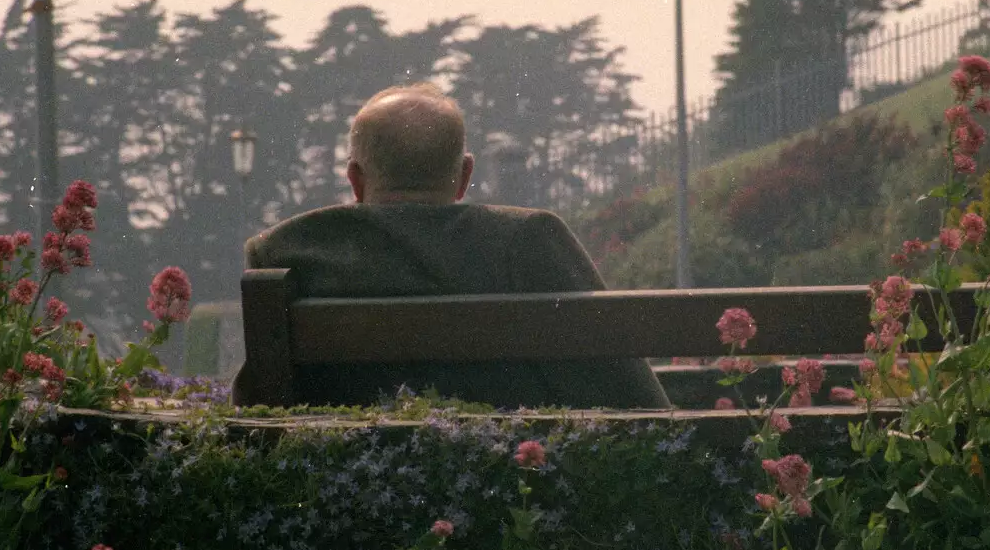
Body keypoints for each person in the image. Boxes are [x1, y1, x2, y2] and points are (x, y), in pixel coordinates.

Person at [231, 82, 670, 410]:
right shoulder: (530, 240)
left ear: (355, 180)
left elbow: (256, 407)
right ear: (464, 176)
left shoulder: (285, 251)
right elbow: (631, 393)